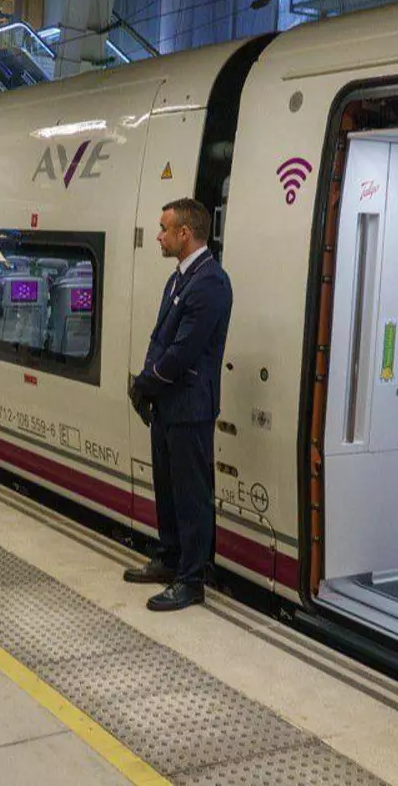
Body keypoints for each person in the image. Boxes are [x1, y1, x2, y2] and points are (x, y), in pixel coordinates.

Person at [124, 198, 233, 612]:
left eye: (164, 228)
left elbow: (184, 351)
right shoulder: (179, 279)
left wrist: (146, 382)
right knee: (168, 489)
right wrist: (147, 384)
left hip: (190, 408)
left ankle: (191, 579)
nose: (158, 236)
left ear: (184, 233)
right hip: (167, 405)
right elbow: (160, 339)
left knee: (191, 496)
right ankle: (170, 558)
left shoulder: (210, 283)